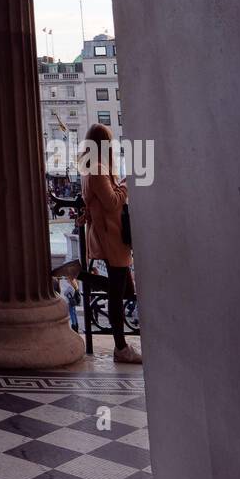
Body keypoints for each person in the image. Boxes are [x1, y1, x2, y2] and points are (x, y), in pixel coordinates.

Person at [80, 122, 142, 363]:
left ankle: (81, 275)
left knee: (124, 289)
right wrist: (127, 183)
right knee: (119, 293)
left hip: (108, 235)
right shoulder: (97, 168)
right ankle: (121, 347)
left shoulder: (90, 168)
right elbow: (113, 202)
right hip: (112, 237)